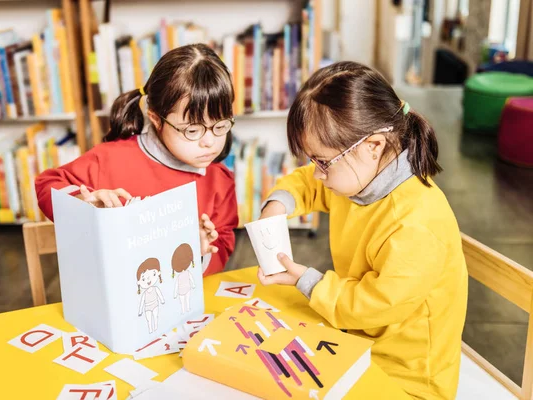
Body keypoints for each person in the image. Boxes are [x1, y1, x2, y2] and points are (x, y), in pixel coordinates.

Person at [259, 61, 468, 399]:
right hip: (354, 339)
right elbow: (308, 185)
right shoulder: (358, 176)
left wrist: (308, 281)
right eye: (312, 161)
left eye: (322, 161)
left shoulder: (415, 223)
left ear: (373, 146)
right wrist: (280, 202)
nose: (316, 174)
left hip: (406, 378)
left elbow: (375, 307)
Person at [35, 44, 238, 275]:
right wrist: (85, 201)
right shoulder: (110, 159)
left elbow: (222, 245)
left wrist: (200, 253)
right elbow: (46, 184)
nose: (209, 142)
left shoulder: (220, 180)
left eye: (220, 126)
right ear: (156, 119)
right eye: (192, 130)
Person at [136, 257, 165, 334]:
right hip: (147, 307)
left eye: (153, 274)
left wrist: (162, 300)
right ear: (139, 282)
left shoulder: (155, 289)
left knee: (155, 317)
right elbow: (142, 302)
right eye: (143, 279)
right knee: (149, 319)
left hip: (155, 305)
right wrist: (140, 311)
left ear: (158, 273)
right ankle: (150, 329)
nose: (148, 280)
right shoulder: (144, 294)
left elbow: (160, 295)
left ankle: (155, 326)